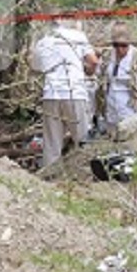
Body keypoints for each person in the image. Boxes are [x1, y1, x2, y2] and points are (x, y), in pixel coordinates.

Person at [30, 20, 99, 167]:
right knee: (83, 140)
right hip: (75, 93)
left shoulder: (43, 41)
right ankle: (86, 173)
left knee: (51, 145)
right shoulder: (78, 36)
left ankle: (49, 176)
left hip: (51, 94)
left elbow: (36, 67)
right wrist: (87, 71)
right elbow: (93, 61)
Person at [96, 22, 137, 141]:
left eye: (123, 45)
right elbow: (98, 80)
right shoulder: (106, 57)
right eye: (116, 45)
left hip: (132, 114)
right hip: (110, 114)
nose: (119, 49)